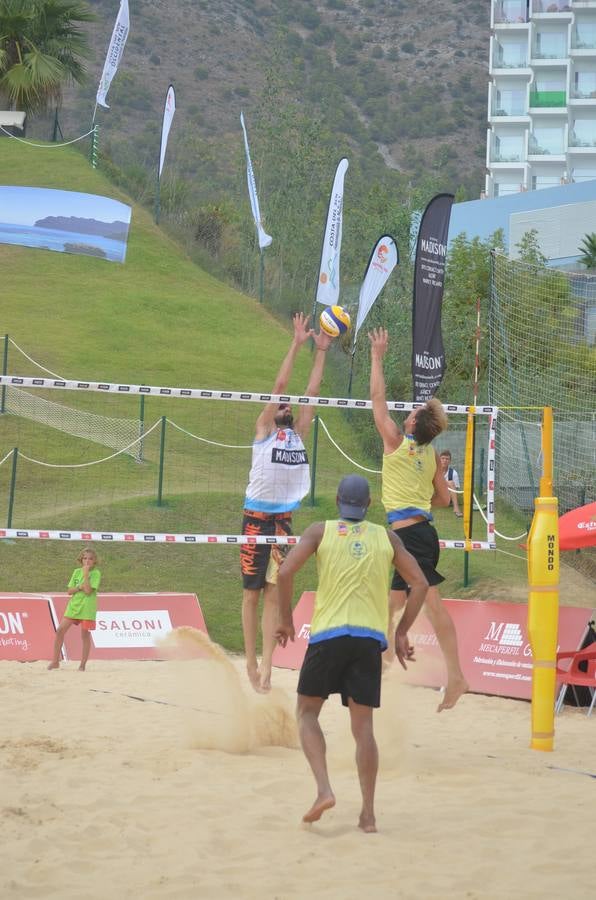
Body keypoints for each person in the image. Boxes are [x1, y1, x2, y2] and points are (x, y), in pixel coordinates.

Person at [275, 474, 428, 833]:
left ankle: (325, 789)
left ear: (338, 501)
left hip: (328, 635)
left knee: (307, 714)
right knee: (364, 730)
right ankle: (369, 815)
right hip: (368, 640)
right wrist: (402, 630)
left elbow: (284, 573)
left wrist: (285, 620)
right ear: (370, 505)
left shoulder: (320, 530)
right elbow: (419, 583)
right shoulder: (386, 537)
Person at [368, 327, 467, 711]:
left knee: (428, 606)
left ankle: (456, 676)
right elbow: (444, 499)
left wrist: (378, 355)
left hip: (408, 538)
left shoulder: (396, 442)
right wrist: (420, 495)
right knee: (393, 603)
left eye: (411, 412)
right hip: (418, 534)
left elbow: (377, 399)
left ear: (411, 425)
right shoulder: (429, 455)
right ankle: (383, 667)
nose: (407, 412)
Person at [241, 312, 332, 693]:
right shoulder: (264, 430)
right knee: (251, 594)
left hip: (282, 524)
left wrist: (321, 351)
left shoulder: (299, 433)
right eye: (281, 407)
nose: (286, 408)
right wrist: (296, 343)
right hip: (254, 519)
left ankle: (267, 668)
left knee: (275, 595)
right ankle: (248, 661)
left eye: (287, 408)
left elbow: (311, 392)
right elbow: (280, 385)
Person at [48, 547, 101, 671]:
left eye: (90, 559)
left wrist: (86, 574)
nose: (87, 561)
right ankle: (55, 661)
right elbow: (69, 591)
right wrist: (79, 587)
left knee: (85, 635)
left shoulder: (96, 573)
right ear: (81, 559)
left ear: (94, 561)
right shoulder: (76, 571)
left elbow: (88, 591)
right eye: (85, 558)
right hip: (74, 606)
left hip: (87, 608)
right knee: (60, 630)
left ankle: (82, 665)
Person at [439, 450, 462, 517]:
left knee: (451, 483)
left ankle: (456, 508)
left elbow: (455, 490)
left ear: (450, 461)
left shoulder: (453, 473)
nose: (445, 460)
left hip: (446, 497)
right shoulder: (434, 469)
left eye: (447, 459)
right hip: (432, 494)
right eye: (442, 458)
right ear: (439, 459)